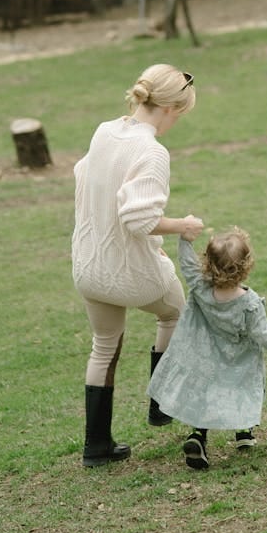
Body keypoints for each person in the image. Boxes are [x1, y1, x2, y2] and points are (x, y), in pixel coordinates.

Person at [72, 63, 204, 466]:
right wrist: (184, 226)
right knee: (178, 314)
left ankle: (96, 447)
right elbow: (139, 219)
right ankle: (160, 404)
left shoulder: (104, 130)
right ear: (171, 109)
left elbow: (83, 173)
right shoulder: (151, 151)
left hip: (88, 267)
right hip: (131, 274)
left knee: (104, 347)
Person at [147, 226, 267, 470]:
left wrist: (185, 240)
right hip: (240, 361)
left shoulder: (201, 288)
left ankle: (198, 436)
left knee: (205, 395)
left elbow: (187, 265)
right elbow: (263, 335)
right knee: (244, 389)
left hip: (206, 357)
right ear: (246, 266)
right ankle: (244, 432)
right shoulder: (250, 304)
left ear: (208, 264)